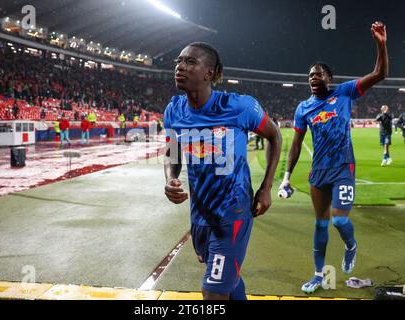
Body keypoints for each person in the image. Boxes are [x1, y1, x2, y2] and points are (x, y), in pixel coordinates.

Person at [163, 42, 282, 300]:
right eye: (179, 61)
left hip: (233, 212)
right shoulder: (173, 110)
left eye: (190, 62)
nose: (180, 67)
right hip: (200, 214)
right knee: (227, 281)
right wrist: (171, 178)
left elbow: (274, 135)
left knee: (213, 292)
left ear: (209, 73)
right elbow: (171, 152)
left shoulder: (238, 106)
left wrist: (266, 187)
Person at [279, 21, 388, 294]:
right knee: (320, 224)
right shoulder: (303, 108)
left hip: (343, 167)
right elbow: (295, 145)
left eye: (318, 74)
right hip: (319, 172)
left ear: (329, 78)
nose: (312, 78)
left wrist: (381, 44)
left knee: (339, 220)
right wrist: (286, 177)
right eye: (309, 76)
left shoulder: (345, 92)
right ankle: (318, 275)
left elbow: (380, 73)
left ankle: (351, 245)